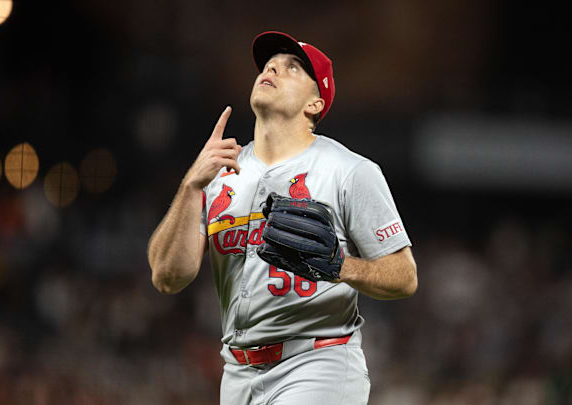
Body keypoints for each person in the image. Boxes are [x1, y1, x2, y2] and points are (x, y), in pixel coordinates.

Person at [147, 31, 417, 404]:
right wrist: (191, 185)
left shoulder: (348, 170)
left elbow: (404, 277)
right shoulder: (218, 173)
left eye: (293, 67)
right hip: (237, 374)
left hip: (318, 362)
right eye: (270, 63)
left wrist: (341, 267)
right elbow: (166, 276)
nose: (273, 66)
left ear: (315, 103)